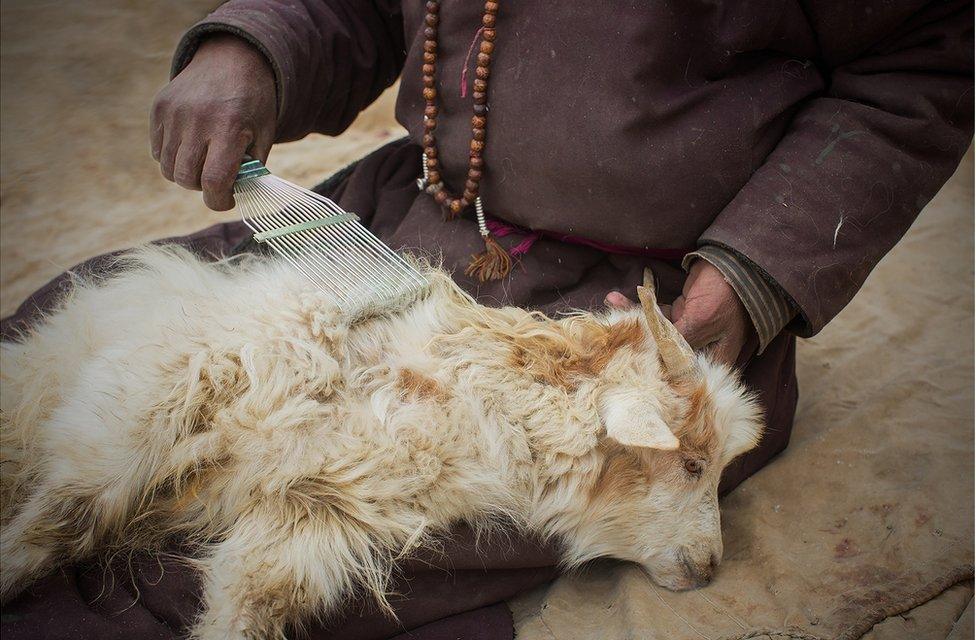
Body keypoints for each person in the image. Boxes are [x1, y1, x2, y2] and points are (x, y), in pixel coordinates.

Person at [3, 2, 970, 640]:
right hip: (415, 222)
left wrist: (754, 275)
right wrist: (252, 44)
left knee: (268, 545)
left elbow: (921, 61)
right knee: (78, 337)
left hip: (641, 317)